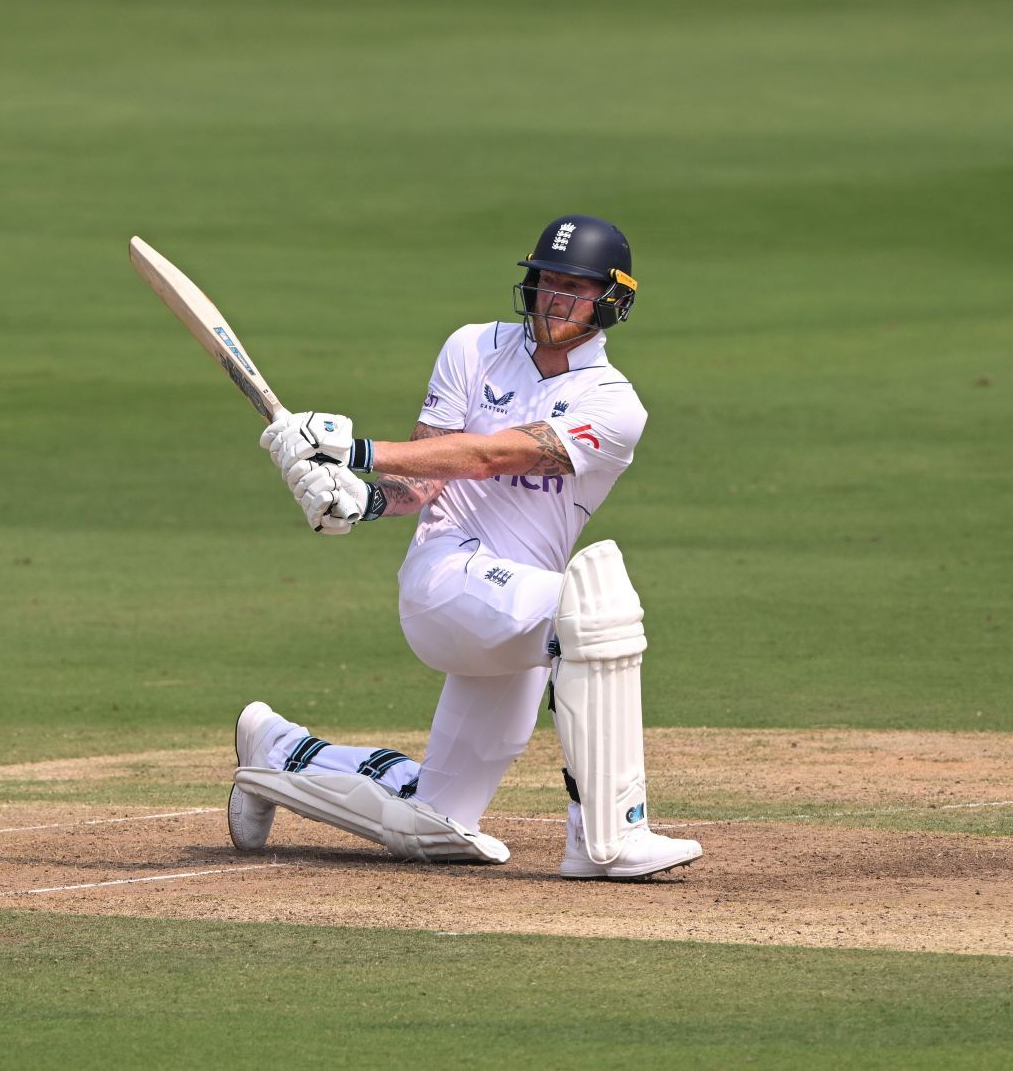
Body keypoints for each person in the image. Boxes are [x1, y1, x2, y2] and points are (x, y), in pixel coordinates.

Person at [229, 215, 702, 880]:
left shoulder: (615, 405)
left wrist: (356, 451)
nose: (554, 300)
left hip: (522, 615)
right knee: (595, 607)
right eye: (545, 284)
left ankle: (276, 753)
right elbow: (424, 480)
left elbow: (488, 455)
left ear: (612, 301)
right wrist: (361, 498)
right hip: (448, 580)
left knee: (435, 822)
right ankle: (611, 837)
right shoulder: (473, 348)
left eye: (575, 288)